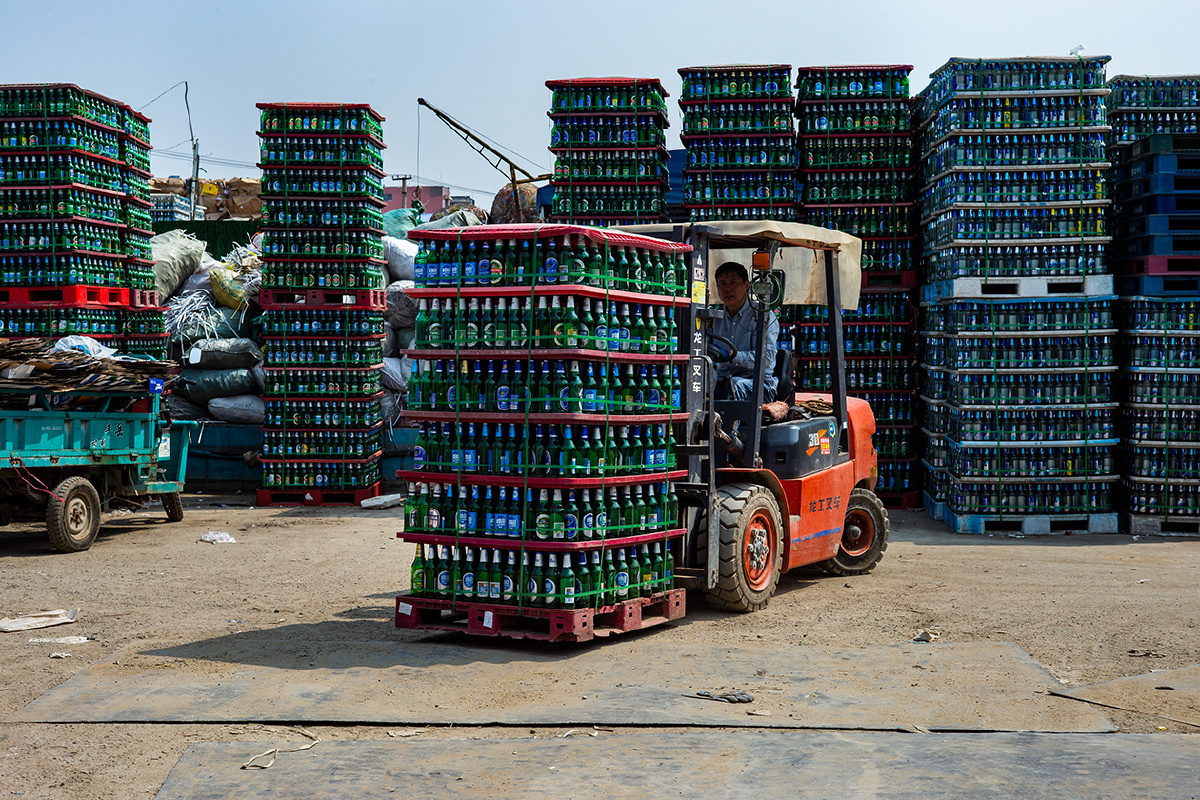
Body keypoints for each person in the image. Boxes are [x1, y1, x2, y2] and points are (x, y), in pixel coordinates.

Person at [711, 260, 779, 402]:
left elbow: (766, 357)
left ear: (747, 285)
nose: (727, 289)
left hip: (757, 383)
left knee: (735, 386)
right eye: (722, 284)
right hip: (722, 379)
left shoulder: (762, 316)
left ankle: (729, 424)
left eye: (733, 282)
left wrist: (731, 356)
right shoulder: (714, 318)